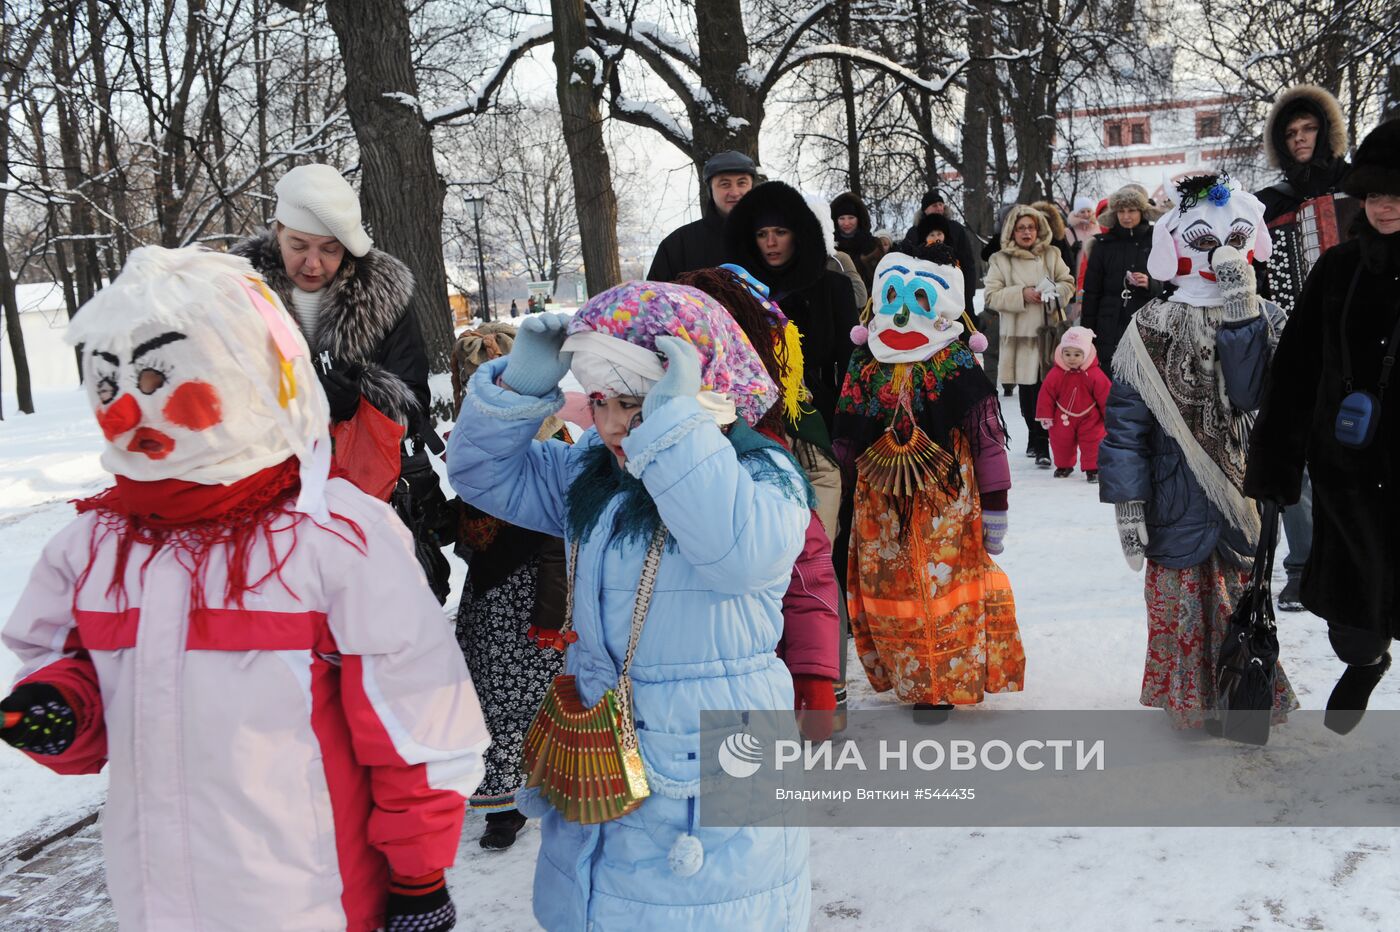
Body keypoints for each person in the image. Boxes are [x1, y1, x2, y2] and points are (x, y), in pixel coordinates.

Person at [0, 246, 489, 932]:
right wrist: (60, 705)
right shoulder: (95, 550)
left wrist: (417, 877)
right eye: (111, 387)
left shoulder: (333, 541)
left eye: (156, 377)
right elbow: (73, 672)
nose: (134, 409)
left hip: (310, 903)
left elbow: (417, 724)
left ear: (245, 375)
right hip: (158, 903)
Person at [446, 282, 812, 930]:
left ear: (699, 399)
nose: (613, 426)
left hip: (706, 787)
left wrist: (672, 432)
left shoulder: (764, 475)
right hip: (599, 760)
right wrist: (520, 385)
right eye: (603, 403)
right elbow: (483, 478)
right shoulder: (596, 475)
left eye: (639, 405)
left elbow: (735, 555)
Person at [1098, 172, 1298, 732]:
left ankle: (1241, 699)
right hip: (1171, 500)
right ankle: (1188, 705)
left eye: (1235, 241)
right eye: (1208, 244)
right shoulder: (1151, 326)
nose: (1221, 256)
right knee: (1181, 604)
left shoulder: (1270, 321)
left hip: (1241, 497)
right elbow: (1125, 428)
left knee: (1241, 608)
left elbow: (1250, 395)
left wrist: (1241, 310)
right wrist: (1128, 504)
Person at [229, 163, 453, 602]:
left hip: (371, 497)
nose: (313, 263)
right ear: (277, 231)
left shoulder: (382, 293)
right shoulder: (237, 290)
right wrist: (294, 398)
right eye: (299, 245)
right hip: (270, 497)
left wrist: (360, 394)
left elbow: (413, 397)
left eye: (330, 250)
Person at [1244, 119, 1400, 735]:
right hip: (1350, 472)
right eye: (1376, 194)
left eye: (1397, 194)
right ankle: (1367, 660)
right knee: (1352, 626)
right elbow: (1296, 372)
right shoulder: (1338, 269)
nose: (1385, 207)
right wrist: (1277, 465)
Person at [835, 248, 1021, 722]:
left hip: (947, 500)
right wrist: (840, 498)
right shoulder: (865, 361)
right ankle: (912, 677)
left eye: (917, 297)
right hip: (880, 501)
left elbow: (987, 437)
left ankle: (942, 683)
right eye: (892, 296)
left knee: (945, 591)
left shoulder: (957, 362)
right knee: (892, 590)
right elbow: (847, 436)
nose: (901, 311)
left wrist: (996, 502)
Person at [675, 266, 842, 740]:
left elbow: (807, 565)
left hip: (747, 671)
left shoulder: (762, 453)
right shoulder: (622, 442)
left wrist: (813, 668)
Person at [446, 323, 569, 850]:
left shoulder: (554, 441)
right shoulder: (470, 435)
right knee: (491, 689)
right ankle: (506, 795)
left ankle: (524, 791)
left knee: (525, 693)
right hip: (491, 582)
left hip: (534, 583)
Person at [1254, 85, 1351, 612]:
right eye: (1290, 133)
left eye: (1308, 128)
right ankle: (1303, 565)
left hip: (1360, 346)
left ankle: (1352, 560)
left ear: (1326, 130)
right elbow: (1256, 272)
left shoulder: (1362, 188)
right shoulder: (1271, 203)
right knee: (1299, 458)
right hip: (1295, 342)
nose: (1299, 139)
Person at [724, 180, 859, 433]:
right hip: (757, 422)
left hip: (824, 417)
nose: (771, 242)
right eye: (762, 234)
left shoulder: (834, 287)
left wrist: (849, 427)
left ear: (798, 234)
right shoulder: (741, 294)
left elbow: (851, 361)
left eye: (780, 232)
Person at [982, 205, 1076, 466]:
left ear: (1039, 230)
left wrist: (1054, 291)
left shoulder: (1052, 253)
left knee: (1050, 389)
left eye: (1031, 227)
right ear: (1012, 230)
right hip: (1019, 335)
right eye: (1021, 227)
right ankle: (1036, 439)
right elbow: (991, 296)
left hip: (1049, 334)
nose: (1026, 232)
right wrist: (1021, 293)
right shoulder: (1001, 259)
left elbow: (1069, 283)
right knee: (1028, 390)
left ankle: (1045, 440)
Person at [1079, 185, 1162, 376]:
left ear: (1142, 211)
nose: (1126, 217)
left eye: (1132, 210)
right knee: (1111, 377)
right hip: (1109, 322)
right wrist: (1086, 333)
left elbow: (1169, 283)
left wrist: (1151, 284)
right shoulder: (1102, 245)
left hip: (1147, 319)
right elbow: (1092, 292)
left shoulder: (1156, 239)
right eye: (1121, 211)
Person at [647, 150, 758, 281]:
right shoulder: (678, 245)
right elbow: (654, 298)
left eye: (742, 183)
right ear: (710, 190)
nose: (734, 192)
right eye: (725, 184)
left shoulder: (773, 239)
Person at [1036, 326, 1112, 481]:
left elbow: (1106, 396)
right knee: (1060, 441)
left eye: (1077, 354)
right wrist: (1046, 415)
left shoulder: (1094, 374)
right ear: (1060, 353)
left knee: (1093, 442)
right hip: (1062, 416)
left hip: (1090, 417)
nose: (1071, 358)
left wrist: (1109, 416)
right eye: (1067, 354)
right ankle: (1064, 465)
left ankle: (1093, 468)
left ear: (1086, 354)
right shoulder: (1056, 374)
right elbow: (1046, 395)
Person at [901, 190, 977, 304]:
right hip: (923, 291)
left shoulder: (956, 228)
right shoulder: (914, 232)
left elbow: (967, 261)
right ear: (925, 209)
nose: (939, 208)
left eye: (941, 204)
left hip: (956, 286)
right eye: (934, 205)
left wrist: (969, 291)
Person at [830, 191, 887, 291]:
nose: (846, 223)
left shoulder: (873, 245)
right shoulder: (829, 246)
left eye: (851, 218)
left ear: (859, 219)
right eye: (842, 218)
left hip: (867, 302)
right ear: (835, 220)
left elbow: (881, 279)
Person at [1032, 200, 1076, 272]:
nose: (1043, 223)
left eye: (1046, 220)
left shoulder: (1059, 240)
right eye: (1039, 220)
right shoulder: (1027, 239)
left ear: (1052, 222)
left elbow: (1069, 266)